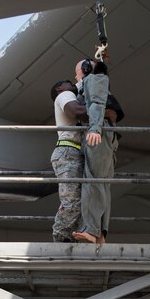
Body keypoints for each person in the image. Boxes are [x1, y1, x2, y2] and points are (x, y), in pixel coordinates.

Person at [72, 59, 119, 245]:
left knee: (92, 180)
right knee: (102, 183)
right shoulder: (98, 81)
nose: (76, 77)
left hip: (99, 134)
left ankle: (91, 230)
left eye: (77, 72)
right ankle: (100, 235)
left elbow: (97, 103)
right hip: (106, 133)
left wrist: (94, 128)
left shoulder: (93, 79)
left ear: (85, 70)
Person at [50, 80, 87, 242]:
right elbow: (76, 111)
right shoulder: (65, 95)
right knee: (72, 201)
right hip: (68, 151)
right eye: (67, 82)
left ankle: (69, 237)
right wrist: (102, 111)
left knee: (76, 200)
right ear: (59, 88)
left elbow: (80, 86)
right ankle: (60, 236)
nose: (72, 83)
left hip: (73, 151)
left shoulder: (72, 93)